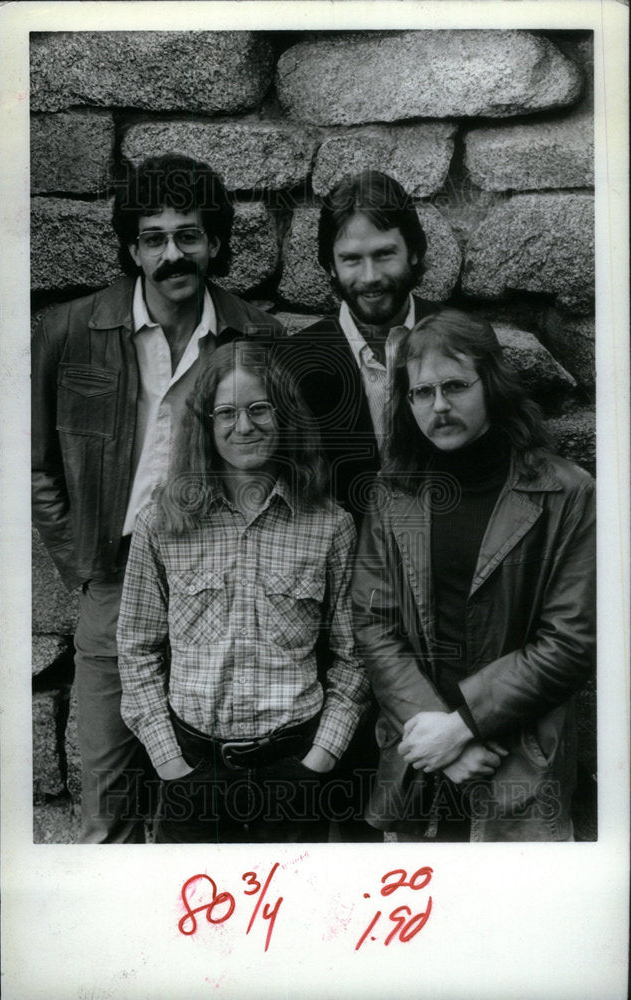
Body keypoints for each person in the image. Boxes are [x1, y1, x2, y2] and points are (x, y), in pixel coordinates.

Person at [31, 154, 283, 843]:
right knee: (107, 808)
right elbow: (34, 465)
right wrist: (82, 565)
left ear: (217, 242)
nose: (173, 254)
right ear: (130, 247)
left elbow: (277, 460)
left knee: (207, 803)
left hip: (222, 588)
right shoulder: (69, 331)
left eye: (189, 235)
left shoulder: (257, 337)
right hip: (112, 583)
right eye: (154, 237)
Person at [352, 309, 595, 841]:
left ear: (493, 382)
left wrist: (459, 729)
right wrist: (438, 743)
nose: (439, 406)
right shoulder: (394, 493)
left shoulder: (566, 493)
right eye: (422, 393)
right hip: (417, 763)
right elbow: (374, 624)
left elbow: (571, 641)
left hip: (520, 765)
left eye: (456, 386)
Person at [117, 341, 370, 843]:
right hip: (191, 771)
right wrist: (171, 766)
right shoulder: (163, 523)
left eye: (259, 409)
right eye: (227, 413)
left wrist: (316, 764)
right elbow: (136, 648)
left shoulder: (330, 525)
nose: (245, 426)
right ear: (205, 426)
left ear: (284, 417)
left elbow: (355, 657)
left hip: (292, 770)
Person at [276, 170, 437, 839]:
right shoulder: (296, 360)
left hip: (439, 610)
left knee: (432, 787)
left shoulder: (457, 345)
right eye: (351, 259)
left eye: (384, 254)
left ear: (415, 254)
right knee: (341, 806)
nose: (369, 275)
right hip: (332, 621)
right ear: (328, 268)